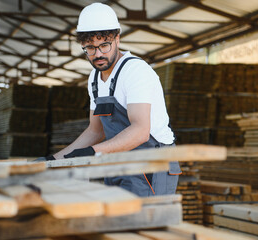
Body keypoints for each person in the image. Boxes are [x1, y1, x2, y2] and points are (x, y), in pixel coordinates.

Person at [39, 2, 181, 197]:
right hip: (117, 162)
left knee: (143, 225)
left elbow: (140, 131)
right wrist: (53, 160)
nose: (98, 54)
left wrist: (92, 152)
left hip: (151, 164)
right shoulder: (94, 79)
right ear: (83, 46)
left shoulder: (135, 71)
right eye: (90, 48)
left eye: (104, 45)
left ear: (117, 38)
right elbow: (95, 131)